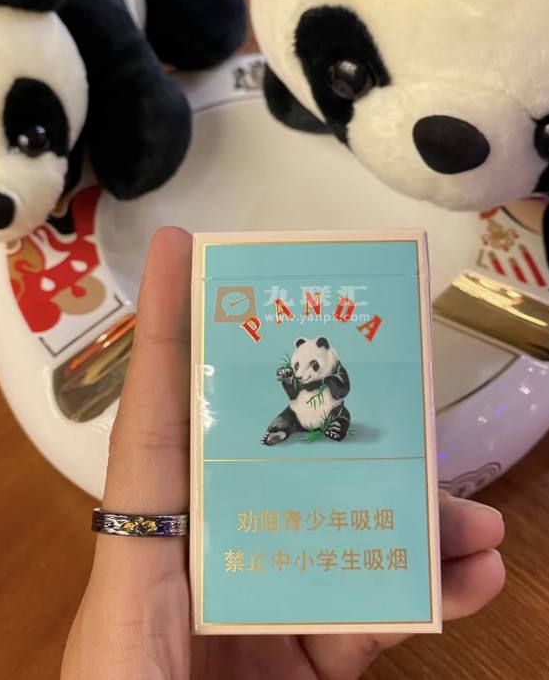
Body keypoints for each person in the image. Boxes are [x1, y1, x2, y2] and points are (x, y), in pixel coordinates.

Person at [61, 228, 506, 680]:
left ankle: (332, 428)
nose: (305, 370)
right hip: (298, 419)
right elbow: (294, 388)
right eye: (299, 366)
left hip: (328, 413)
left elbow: (340, 389)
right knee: (288, 414)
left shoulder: (334, 370)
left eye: (311, 366)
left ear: (325, 355)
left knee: (338, 414)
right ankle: (280, 431)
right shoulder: (298, 365)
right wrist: (290, 381)